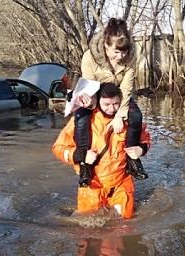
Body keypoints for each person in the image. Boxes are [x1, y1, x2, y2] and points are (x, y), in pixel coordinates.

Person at [52, 83, 151, 219]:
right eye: (107, 104)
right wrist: (81, 155)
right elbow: (58, 148)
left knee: (125, 225)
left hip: (121, 183)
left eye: (116, 104)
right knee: (87, 228)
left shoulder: (129, 120)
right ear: (98, 101)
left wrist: (141, 149)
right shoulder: (82, 121)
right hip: (93, 184)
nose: (112, 109)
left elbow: (145, 139)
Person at [74, 18, 148, 183]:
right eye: (116, 52)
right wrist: (91, 104)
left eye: (124, 52)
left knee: (136, 116)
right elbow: (89, 87)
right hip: (96, 92)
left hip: (119, 93)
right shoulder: (89, 57)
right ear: (106, 46)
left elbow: (126, 89)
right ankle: (84, 163)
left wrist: (119, 116)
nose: (120, 57)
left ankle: (132, 159)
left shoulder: (130, 58)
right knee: (81, 117)